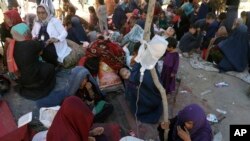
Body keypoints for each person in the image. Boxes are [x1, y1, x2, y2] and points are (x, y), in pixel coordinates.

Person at [8, 23, 55, 100]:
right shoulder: (31, 44)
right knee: (50, 67)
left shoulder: (12, 45)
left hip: (19, 78)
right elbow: (42, 45)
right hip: (33, 80)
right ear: (26, 33)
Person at [32, 4, 75, 68]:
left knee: (48, 54)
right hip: (41, 43)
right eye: (38, 13)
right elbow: (33, 32)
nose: (41, 15)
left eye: (43, 12)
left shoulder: (54, 21)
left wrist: (56, 39)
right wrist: (34, 36)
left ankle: (53, 66)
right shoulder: (37, 22)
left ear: (47, 12)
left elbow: (64, 33)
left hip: (53, 45)